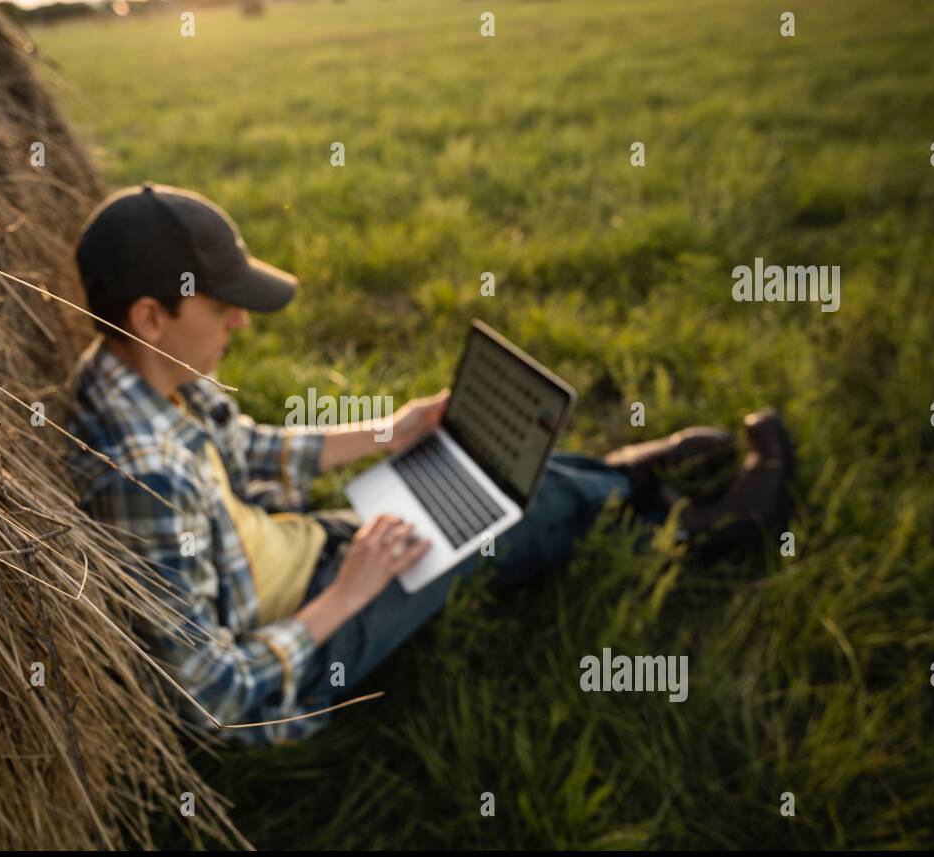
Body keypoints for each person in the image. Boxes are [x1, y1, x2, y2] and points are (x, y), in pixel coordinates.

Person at [65, 183, 794, 746]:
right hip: (306, 641)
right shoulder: (145, 479)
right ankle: (698, 528)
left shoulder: (134, 372)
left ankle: (620, 479)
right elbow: (210, 694)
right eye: (223, 305)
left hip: (295, 552)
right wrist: (350, 594)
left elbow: (245, 448)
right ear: (151, 317)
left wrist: (389, 431)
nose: (241, 321)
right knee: (487, 524)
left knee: (465, 471)